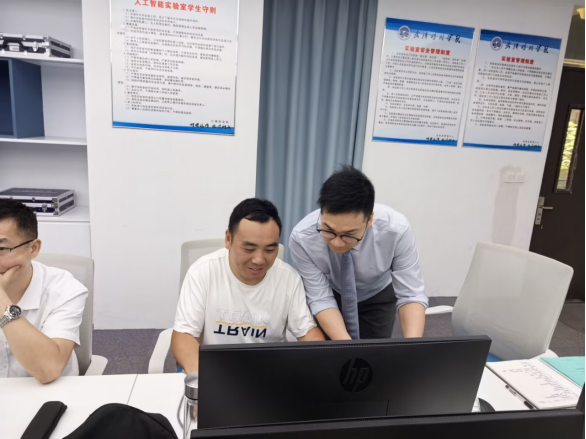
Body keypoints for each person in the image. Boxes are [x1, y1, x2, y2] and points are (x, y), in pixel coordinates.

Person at [172, 198, 325, 373]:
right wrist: (209, 377)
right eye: (249, 249)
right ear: (228, 239)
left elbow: (308, 333)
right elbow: (183, 336)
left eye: (269, 250)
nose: (259, 260)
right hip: (214, 369)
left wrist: (321, 363)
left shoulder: (288, 278)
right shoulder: (202, 271)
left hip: (266, 373)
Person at [290, 166, 428, 340]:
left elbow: (411, 294)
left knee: (375, 352)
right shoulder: (302, 238)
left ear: (369, 219)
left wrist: (413, 346)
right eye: (328, 230)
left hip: (377, 293)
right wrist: (348, 348)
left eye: (349, 234)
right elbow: (320, 298)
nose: (337, 243)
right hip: (332, 292)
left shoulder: (397, 230)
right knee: (331, 352)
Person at [0, 199, 88, 383]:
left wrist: (2, 300)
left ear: (33, 248)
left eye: (1, 248)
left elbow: (48, 370)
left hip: (47, 393)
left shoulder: (64, 290)